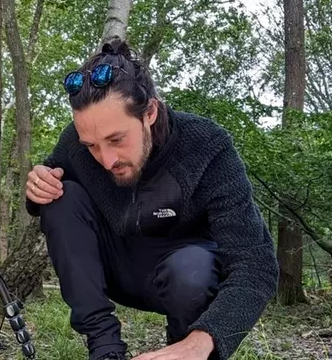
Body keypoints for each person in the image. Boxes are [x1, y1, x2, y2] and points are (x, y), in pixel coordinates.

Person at [24, 38, 278, 360]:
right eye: (92, 145)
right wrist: (38, 188)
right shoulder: (75, 142)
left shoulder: (206, 145)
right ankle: (104, 349)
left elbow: (256, 263)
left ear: (150, 113)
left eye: (117, 139)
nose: (106, 159)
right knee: (61, 195)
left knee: (192, 269)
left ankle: (183, 347)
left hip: (186, 274)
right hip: (116, 269)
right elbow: (47, 185)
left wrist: (202, 340)